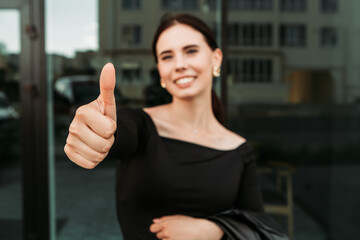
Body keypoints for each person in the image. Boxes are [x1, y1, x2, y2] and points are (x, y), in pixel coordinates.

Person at [65, 13, 280, 240]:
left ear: (215, 59)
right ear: (160, 70)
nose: (179, 65)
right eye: (167, 56)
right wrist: (98, 131)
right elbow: (119, 131)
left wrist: (214, 229)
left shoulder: (239, 149)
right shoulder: (141, 125)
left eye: (191, 51)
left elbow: (262, 229)